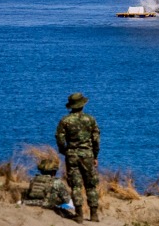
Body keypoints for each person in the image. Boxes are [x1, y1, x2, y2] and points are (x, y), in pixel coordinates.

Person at [55, 92, 101, 223]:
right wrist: (95, 155)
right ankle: (94, 214)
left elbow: (59, 138)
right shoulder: (90, 119)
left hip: (72, 155)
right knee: (91, 185)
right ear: (82, 105)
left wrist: (64, 150)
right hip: (87, 155)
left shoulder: (65, 120)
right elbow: (96, 139)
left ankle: (79, 214)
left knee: (76, 185)